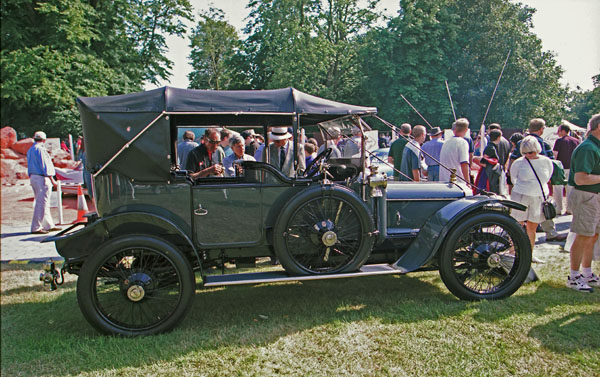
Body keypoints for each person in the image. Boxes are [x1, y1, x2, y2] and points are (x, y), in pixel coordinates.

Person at [509, 118, 566, 242]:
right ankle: (549, 233)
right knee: (524, 226)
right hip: (530, 193)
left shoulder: (521, 144)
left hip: (534, 194)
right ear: (541, 129)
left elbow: (513, 175)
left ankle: (526, 252)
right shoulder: (543, 145)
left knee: (526, 226)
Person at [565, 114, 600, 292]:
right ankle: (573, 276)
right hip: (586, 196)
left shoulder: (594, 146)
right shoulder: (588, 148)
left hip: (594, 196)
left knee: (592, 235)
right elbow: (580, 179)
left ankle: (586, 273)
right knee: (583, 236)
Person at [510, 136, 554, 262]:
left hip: (539, 196)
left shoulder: (546, 161)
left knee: (532, 227)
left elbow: (547, 177)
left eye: (531, 152)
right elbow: (514, 179)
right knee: (517, 224)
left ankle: (529, 253)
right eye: (525, 152)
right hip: (520, 195)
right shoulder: (518, 163)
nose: (528, 155)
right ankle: (513, 251)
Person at [27, 131, 61, 234]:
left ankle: (48, 224)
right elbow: (45, 166)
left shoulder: (31, 149)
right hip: (41, 178)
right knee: (42, 203)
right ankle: (36, 227)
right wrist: (52, 179)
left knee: (43, 202)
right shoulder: (41, 149)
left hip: (34, 177)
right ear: (44, 140)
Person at [553, 124, 580, 215]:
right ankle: (570, 209)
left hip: (560, 168)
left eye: (559, 130)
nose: (557, 132)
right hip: (572, 168)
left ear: (563, 131)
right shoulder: (576, 141)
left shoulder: (559, 141)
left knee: (558, 188)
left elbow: (555, 155)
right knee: (570, 188)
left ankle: (558, 208)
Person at [439, 118, 470, 183]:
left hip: (443, 180)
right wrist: (468, 182)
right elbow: (464, 163)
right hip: (457, 182)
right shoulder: (462, 142)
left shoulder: (446, 142)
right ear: (466, 129)